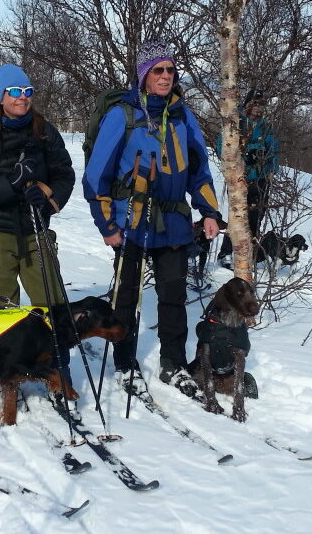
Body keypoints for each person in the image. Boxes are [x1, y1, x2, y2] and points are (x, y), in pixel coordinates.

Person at [82, 40, 221, 398]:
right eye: (157, 70)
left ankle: (173, 363)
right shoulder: (123, 115)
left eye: (170, 70)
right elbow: (96, 175)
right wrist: (107, 225)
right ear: (144, 75)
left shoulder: (182, 116)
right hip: (131, 221)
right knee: (126, 296)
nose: (165, 76)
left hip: (173, 221)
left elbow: (199, 171)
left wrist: (209, 211)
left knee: (173, 295)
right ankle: (125, 362)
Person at [0, 64, 75, 308]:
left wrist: (46, 199)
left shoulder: (45, 132)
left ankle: (54, 336)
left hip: (35, 230)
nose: (22, 97)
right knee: (4, 314)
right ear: (1, 96)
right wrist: (12, 182)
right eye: (14, 91)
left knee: (54, 307)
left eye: (27, 91)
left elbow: (64, 175)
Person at [215, 90, 279, 267]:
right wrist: (241, 155)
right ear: (247, 104)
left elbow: (273, 150)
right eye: (255, 103)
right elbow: (222, 145)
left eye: (261, 104)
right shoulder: (237, 123)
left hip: (260, 178)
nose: (258, 108)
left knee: (256, 217)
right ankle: (226, 253)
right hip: (238, 177)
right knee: (237, 216)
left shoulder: (266, 127)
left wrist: (269, 167)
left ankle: (249, 253)